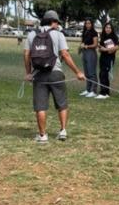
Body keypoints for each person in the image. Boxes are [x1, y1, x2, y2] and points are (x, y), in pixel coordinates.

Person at [24, 10, 85, 144]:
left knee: (40, 106)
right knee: (62, 103)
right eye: (57, 23)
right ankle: (63, 131)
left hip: (38, 74)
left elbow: (27, 55)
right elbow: (65, 55)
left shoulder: (32, 34)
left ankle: (42, 135)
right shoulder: (58, 34)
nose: (58, 25)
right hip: (56, 72)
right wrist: (78, 72)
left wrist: (28, 73)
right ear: (53, 22)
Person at [96, 22, 119, 99]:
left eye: (109, 28)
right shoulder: (103, 36)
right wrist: (100, 49)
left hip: (109, 59)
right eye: (106, 27)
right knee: (103, 74)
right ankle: (106, 92)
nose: (108, 29)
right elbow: (101, 48)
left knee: (103, 74)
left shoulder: (114, 37)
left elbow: (116, 47)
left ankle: (103, 93)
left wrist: (106, 49)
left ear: (111, 29)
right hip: (102, 57)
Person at [79, 19, 98, 98]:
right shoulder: (84, 32)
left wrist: (87, 46)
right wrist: (81, 46)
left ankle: (93, 91)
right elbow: (83, 42)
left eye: (89, 23)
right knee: (86, 72)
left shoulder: (94, 32)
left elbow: (95, 44)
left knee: (91, 72)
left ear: (92, 24)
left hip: (91, 52)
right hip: (84, 52)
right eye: (86, 23)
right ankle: (88, 89)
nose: (87, 25)